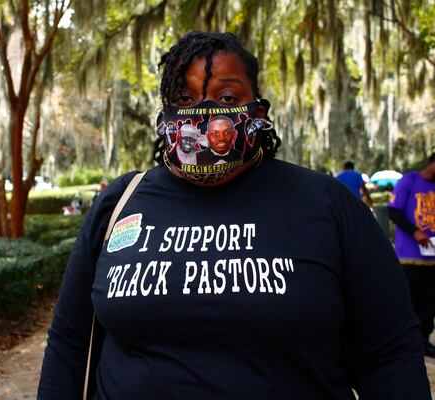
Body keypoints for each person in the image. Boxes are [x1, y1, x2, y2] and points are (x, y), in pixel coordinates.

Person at [38, 32, 430, 399]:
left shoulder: (327, 206)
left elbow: (389, 354)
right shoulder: (120, 203)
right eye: (185, 99)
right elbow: (70, 340)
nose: (206, 114)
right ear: (165, 114)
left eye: (226, 98)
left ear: (258, 110)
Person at [388, 153, 435, 358]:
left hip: (432, 255)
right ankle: (407, 341)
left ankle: (424, 340)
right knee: (410, 299)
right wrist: (415, 231)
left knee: (430, 302)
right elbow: (394, 211)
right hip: (410, 255)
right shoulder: (409, 180)